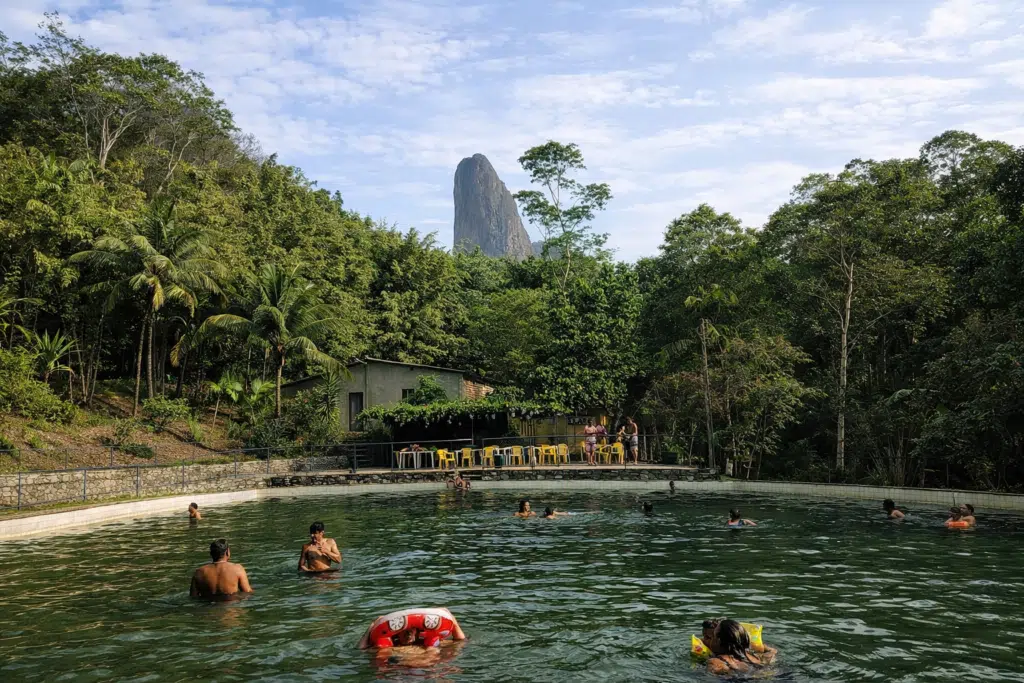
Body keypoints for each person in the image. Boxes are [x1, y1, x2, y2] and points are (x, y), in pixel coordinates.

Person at [703, 619, 776, 675]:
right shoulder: (755, 656)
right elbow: (772, 652)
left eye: (708, 638)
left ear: (719, 641)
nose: (703, 641)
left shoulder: (716, 662)